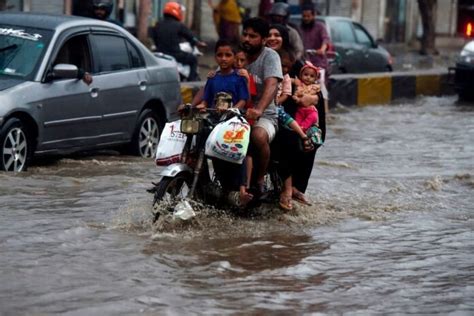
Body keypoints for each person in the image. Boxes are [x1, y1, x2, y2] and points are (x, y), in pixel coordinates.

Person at [196, 39, 252, 206]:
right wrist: (200, 106)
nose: (224, 58)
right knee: (198, 133)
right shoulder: (213, 78)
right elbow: (206, 100)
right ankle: (200, 175)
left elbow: (244, 99)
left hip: (233, 121)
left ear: (234, 57)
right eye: (220, 55)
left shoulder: (239, 77)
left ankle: (242, 189)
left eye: (228, 55)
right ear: (215, 57)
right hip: (215, 120)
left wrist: (233, 109)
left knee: (238, 150)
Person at [241, 17, 283, 196]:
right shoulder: (237, 54)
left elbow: (272, 85)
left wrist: (258, 109)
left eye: (253, 36)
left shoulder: (270, 56)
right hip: (236, 113)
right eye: (245, 35)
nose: (247, 39)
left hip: (265, 115)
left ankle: (258, 180)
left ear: (264, 39)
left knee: (258, 136)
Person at [153, 2, 207, 82]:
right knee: (193, 59)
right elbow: (190, 36)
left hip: (160, 54)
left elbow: (155, 40)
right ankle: (191, 82)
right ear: (176, 11)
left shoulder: (158, 24)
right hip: (175, 55)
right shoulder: (178, 25)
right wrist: (198, 43)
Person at [298, 2, 330, 110]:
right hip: (305, 61)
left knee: (321, 83)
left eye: (308, 16)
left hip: (319, 62)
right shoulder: (300, 28)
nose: (306, 18)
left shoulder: (320, 27)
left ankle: (324, 108)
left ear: (313, 15)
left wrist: (322, 49)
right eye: (304, 16)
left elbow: (325, 39)